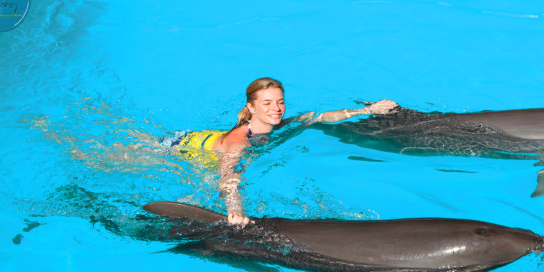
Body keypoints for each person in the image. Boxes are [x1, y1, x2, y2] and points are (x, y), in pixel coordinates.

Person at [171, 77, 398, 225]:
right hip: (184, 148)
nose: (276, 109)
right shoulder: (240, 143)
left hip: (209, 137)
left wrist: (366, 110)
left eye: (280, 102)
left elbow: (318, 116)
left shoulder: (279, 125)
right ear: (251, 107)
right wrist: (235, 209)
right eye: (267, 103)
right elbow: (227, 177)